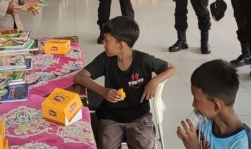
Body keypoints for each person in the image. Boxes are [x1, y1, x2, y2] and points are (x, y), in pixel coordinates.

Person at [74, 16, 176, 149]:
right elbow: (80, 77)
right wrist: (103, 91)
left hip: (139, 115)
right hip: (110, 116)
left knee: (146, 143)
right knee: (106, 144)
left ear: (121, 45)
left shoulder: (143, 60)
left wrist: (154, 81)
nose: (104, 43)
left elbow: (172, 68)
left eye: (107, 40)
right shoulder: (105, 59)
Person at [176, 59, 251, 149]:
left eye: (196, 100)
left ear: (215, 106)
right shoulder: (204, 123)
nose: (193, 105)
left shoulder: (242, 143)